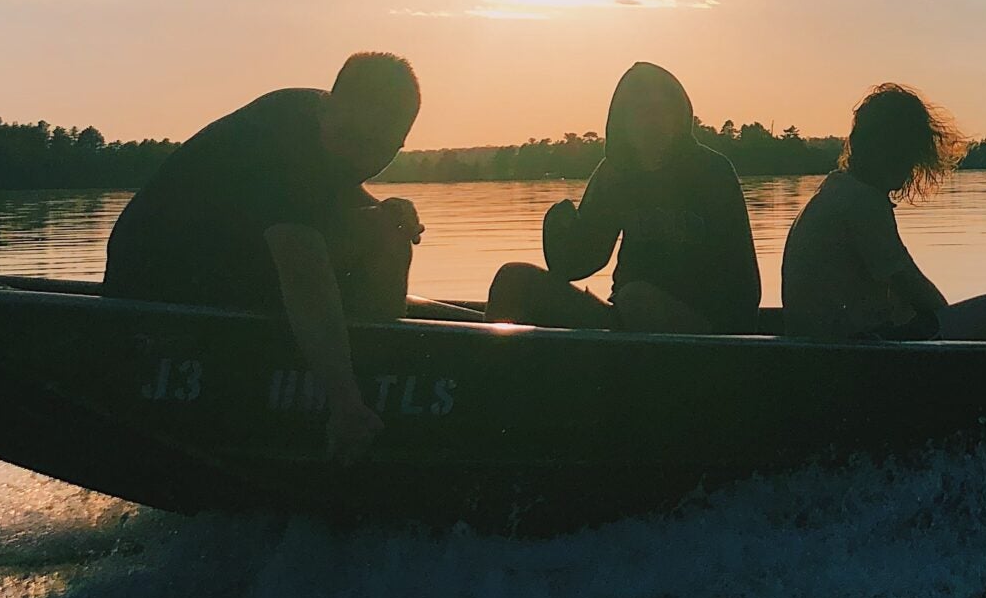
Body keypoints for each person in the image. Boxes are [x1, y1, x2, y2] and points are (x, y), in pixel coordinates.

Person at [103, 52, 426, 460]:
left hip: (217, 270)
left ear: (401, 141)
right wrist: (343, 401)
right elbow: (302, 271)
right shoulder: (282, 142)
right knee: (384, 234)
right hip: (159, 294)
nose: (360, 158)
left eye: (379, 147)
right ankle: (379, 384)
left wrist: (385, 210)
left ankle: (384, 358)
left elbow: (330, 199)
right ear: (327, 106)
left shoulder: (320, 134)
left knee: (387, 223)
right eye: (352, 138)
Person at [486, 62, 760, 336]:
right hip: (623, 323)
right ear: (623, 123)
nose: (653, 121)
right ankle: (491, 365)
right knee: (513, 279)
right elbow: (581, 262)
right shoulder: (615, 174)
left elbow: (745, 284)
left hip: (702, 329)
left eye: (662, 110)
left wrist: (721, 336)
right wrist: (560, 231)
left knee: (638, 298)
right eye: (641, 112)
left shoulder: (712, 172)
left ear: (679, 117)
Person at [782, 85, 986, 341]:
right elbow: (917, 290)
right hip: (857, 351)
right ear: (883, 147)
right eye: (905, 149)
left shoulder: (835, 192)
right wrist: (955, 334)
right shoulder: (861, 202)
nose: (910, 164)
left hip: (838, 343)